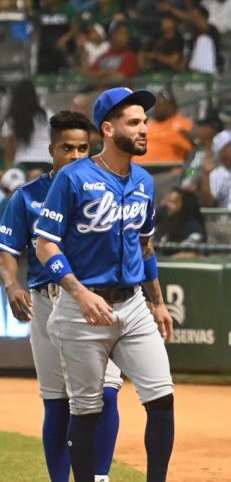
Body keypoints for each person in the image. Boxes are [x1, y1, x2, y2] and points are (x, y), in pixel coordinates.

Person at [34, 87, 175, 482]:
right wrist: (77, 292)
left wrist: (157, 301)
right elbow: (45, 244)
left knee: (162, 397)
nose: (144, 128)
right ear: (109, 129)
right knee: (86, 409)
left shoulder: (144, 181)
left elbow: (145, 245)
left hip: (132, 304)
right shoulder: (73, 178)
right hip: (82, 309)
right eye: (134, 122)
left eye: (145, 121)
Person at [0, 111, 122, 482]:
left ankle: (99, 477)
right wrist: (12, 285)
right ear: (52, 149)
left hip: (97, 299)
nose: (75, 155)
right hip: (47, 300)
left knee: (107, 392)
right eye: (67, 148)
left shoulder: (110, 189)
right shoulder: (28, 196)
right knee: (56, 401)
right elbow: (8, 248)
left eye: (83, 148)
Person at [2, 79, 55, 171]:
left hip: (23, 162)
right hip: (46, 160)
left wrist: (9, 169)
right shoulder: (47, 114)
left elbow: (9, 147)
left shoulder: (11, 119)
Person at [134, 91, 194, 165]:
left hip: (166, 168)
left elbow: (191, 149)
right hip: (137, 166)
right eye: (156, 105)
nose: (157, 108)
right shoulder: (148, 124)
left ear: (172, 107)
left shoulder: (183, 123)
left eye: (161, 105)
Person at [155, 187, 206, 253]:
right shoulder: (164, 222)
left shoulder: (193, 227)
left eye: (173, 202)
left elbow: (191, 253)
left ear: (185, 205)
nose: (168, 205)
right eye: (168, 201)